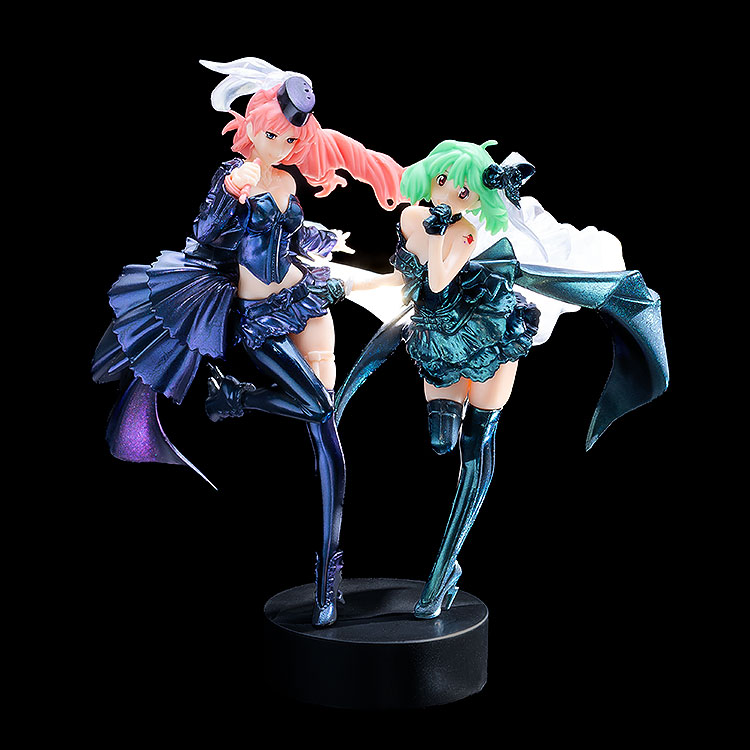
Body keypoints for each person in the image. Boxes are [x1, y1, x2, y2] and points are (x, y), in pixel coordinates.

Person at [92, 57, 406, 627]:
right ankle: (235, 398)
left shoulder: (285, 179)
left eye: (290, 140)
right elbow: (208, 235)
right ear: (253, 125)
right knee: (318, 406)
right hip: (260, 316)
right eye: (271, 135)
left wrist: (317, 237)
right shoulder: (234, 175)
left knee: (327, 433)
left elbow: (289, 234)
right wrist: (233, 195)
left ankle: (328, 580)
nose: (280, 146)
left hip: (304, 297)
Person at [336, 139, 669, 618]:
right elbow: (405, 281)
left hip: (488, 338)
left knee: (474, 447)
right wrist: (346, 282)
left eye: (463, 190)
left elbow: (438, 279)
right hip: (436, 339)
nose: (449, 194)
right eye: (443, 181)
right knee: (441, 440)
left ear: (479, 197)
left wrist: (442, 234)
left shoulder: (470, 233)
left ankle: (445, 566)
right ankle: (445, 562)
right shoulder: (411, 219)